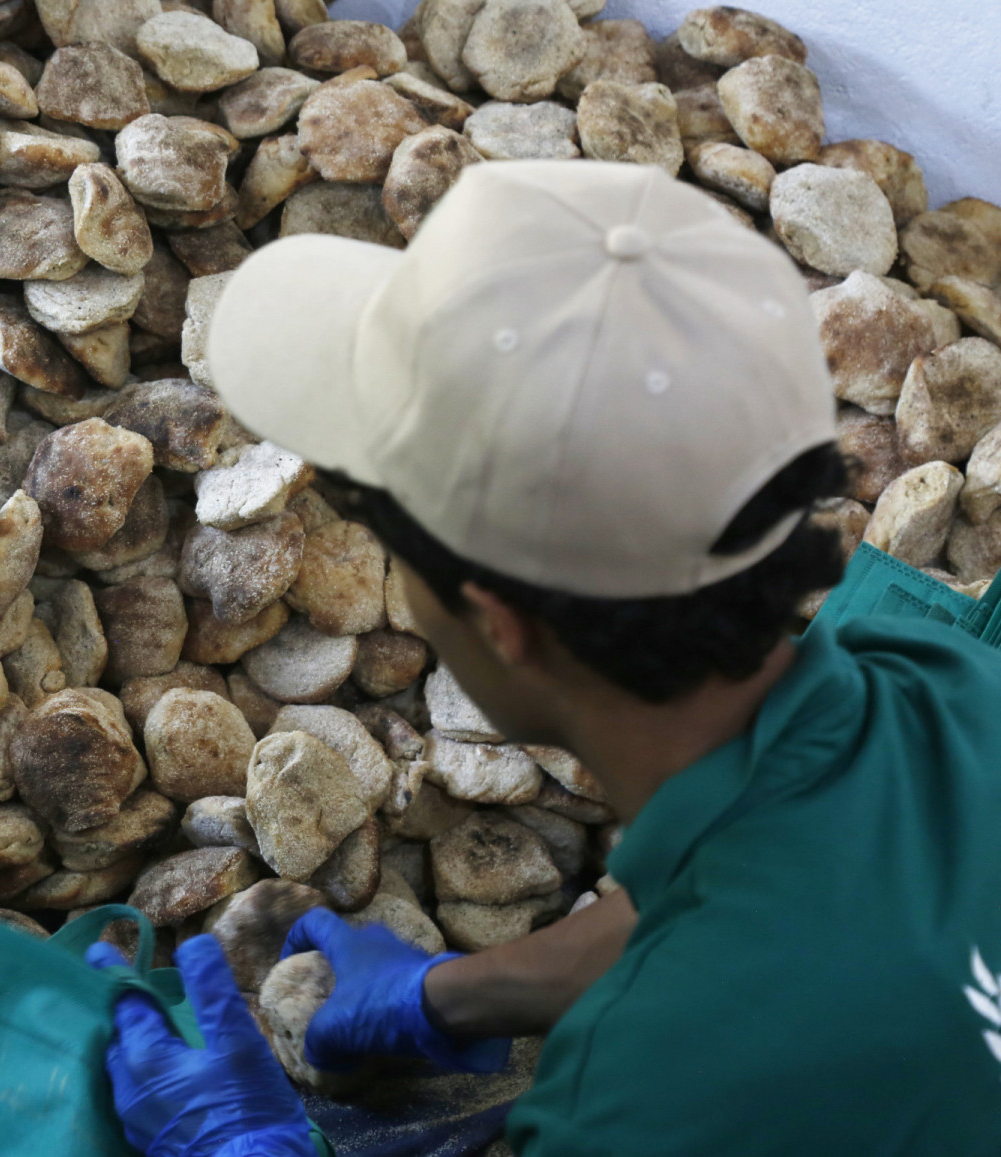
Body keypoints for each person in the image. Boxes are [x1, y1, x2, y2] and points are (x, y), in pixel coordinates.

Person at [88, 161, 1001, 1155]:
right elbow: (780, 890)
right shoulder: (938, 683)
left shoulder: (643, 1098)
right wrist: (455, 995)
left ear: (500, 621)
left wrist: (249, 1146)